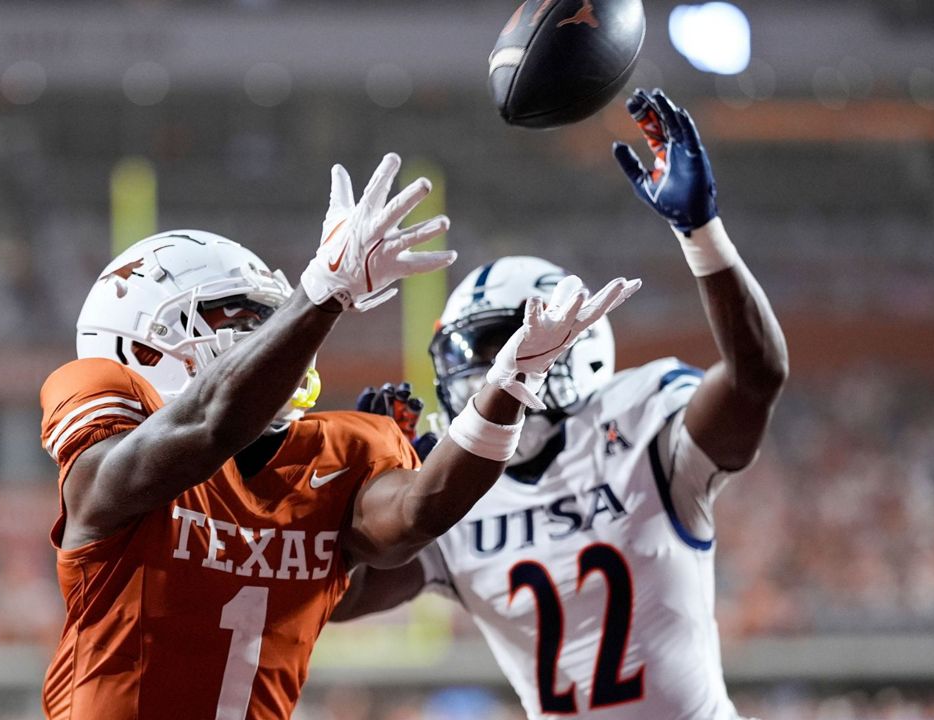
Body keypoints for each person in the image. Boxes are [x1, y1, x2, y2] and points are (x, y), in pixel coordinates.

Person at [37, 153, 640, 720]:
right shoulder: (107, 450)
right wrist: (322, 295)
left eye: (269, 322)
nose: (270, 342)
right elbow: (207, 425)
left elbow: (420, 512)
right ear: (142, 346)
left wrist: (507, 387)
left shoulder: (337, 453)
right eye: (243, 323)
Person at [334, 90, 789, 720]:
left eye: (506, 346)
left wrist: (701, 235)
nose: (489, 372)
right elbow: (336, 600)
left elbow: (756, 376)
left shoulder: (642, 423)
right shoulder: (449, 487)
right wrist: (357, 499)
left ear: (575, 344)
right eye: (473, 355)